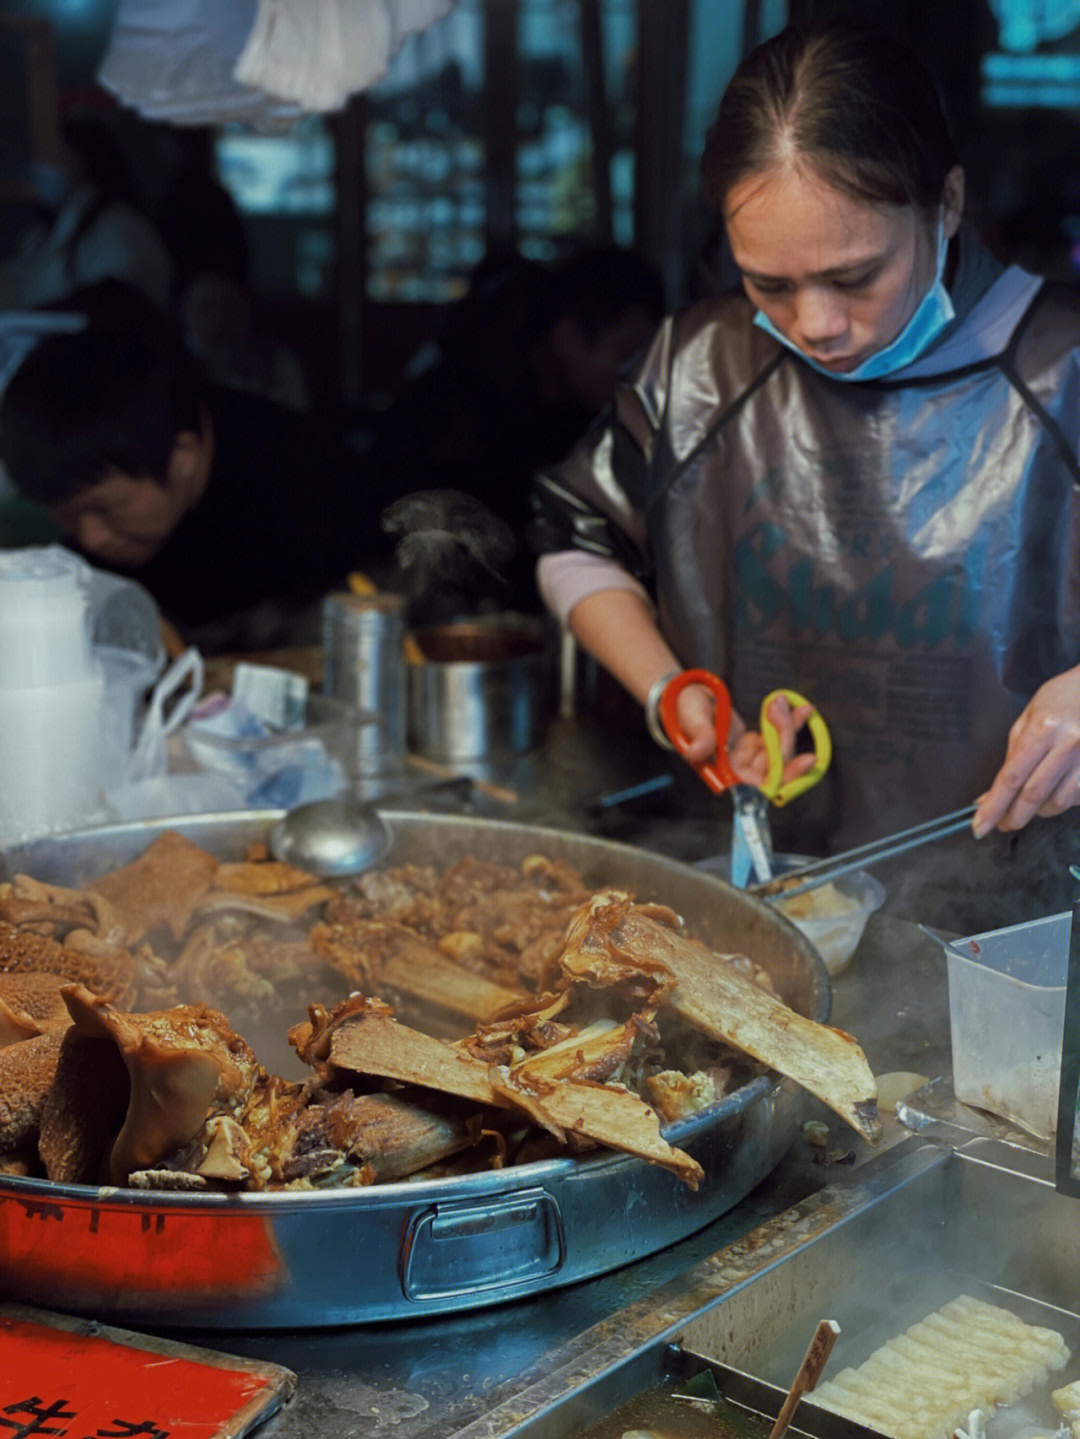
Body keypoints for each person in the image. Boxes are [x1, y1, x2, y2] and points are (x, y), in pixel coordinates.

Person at [530, 21, 1080, 921]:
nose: (816, 324)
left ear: (945, 204)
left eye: (855, 275)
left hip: (1019, 937)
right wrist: (670, 688)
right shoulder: (699, 363)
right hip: (761, 906)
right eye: (769, 284)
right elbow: (574, 532)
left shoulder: (1065, 369)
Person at [0, 291, 394, 653]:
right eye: (67, 516)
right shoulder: (117, 509)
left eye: (107, 507)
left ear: (183, 457)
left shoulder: (308, 488)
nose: (90, 537)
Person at [367, 245, 664, 618]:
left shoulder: (591, 419)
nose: (640, 375)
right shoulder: (454, 406)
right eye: (628, 352)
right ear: (568, 337)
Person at [0, 112, 174, 313]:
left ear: (83, 159)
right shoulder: (43, 236)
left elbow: (122, 308)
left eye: (51, 157)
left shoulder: (119, 230)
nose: (39, 170)